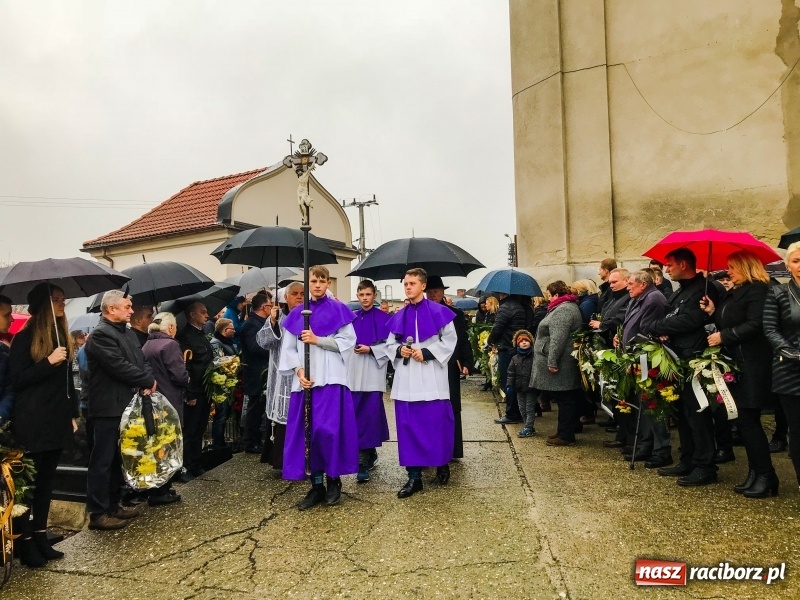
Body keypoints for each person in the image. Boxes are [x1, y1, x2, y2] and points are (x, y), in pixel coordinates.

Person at [8, 284, 78, 565]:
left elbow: (67, 382)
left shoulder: (60, 335)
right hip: (33, 421)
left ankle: (40, 535)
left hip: (56, 419)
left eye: (63, 299)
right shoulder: (24, 338)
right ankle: (25, 542)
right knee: (31, 485)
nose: (62, 304)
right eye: (56, 299)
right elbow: (18, 380)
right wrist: (48, 362)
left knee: (48, 482)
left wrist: (72, 414)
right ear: (42, 304)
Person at [278, 266, 358, 509]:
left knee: (329, 432)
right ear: (308, 284)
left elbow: (348, 341)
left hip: (331, 379)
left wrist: (318, 340)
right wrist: (299, 372)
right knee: (308, 434)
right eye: (313, 281)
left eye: (322, 281)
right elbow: (288, 349)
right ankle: (316, 486)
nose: (317, 285)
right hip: (306, 382)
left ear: (328, 283)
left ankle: (333, 481)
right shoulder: (298, 314)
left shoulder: (339, 309)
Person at [701, 251, 776, 497]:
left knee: (748, 420)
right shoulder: (736, 291)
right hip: (737, 361)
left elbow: (756, 323)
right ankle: (756, 472)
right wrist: (713, 311)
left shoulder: (758, 290)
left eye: (732, 267)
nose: (728, 271)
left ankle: (766, 475)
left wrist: (724, 336)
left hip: (752, 363)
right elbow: (730, 319)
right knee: (743, 420)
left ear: (746, 267)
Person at [84, 289, 156, 530]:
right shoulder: (100, 335)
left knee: (118, 459)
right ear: (111, 309)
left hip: (126, 404)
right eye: (127, 307)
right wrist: (146, 380)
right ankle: (98, 512)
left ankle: (114, 504)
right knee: (102, 460)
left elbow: (141, 360)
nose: (132, 311)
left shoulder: (128, 333)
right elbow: (118, 365)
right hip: (107, 407)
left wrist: (148, 378)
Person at [650, 248, 719, 486]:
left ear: (683, 264)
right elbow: (670, 316)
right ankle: (688, 458)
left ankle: (705, 465)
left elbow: (691, 320)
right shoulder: (681, 290)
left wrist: (658, 327)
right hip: (677, 356)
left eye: (669, 265)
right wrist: (662, 329)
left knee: (698, 414)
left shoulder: (704, 289)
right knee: (682, 413)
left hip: (695, 357)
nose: (666, 269)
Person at [385, 268, 457, 498]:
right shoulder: (399, 316)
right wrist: (399, 350)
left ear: (423, 286)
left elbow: (450, 340)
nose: (408, 287)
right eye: (406, 284)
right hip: (407, 380)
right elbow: (389, 344)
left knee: (436, 424)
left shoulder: (440, 312)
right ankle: (414, 477)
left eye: (412, 283)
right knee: (408, 427)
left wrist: (426, 352)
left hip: (432, 377)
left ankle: (441, 463)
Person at [617, 271, 670, 467]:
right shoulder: (638, 298)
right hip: (637, 358)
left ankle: (661, 449)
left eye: (631, 284)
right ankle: (646, 445)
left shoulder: (653, 298)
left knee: (653, 405)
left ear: (643, 284)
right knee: (644, 405)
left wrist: (633, 349)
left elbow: (648, 329)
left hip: (648, 359)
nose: (628, 287)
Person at [763, 241, 800, 494]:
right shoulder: (778, 293)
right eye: (796, 261)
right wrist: (792, 352)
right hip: (790, 370)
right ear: (788, 266)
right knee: (798, 429)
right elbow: (770, 329)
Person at [141, 312, 188, 506]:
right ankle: (163, 490)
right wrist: (187, 376)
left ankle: (158, 488)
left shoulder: (147, 344)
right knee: (168, 445)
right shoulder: (170, 345)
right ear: (170, 327)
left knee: (157, 445)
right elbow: (179, 376)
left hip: (153, 401)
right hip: (169, 400)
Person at [256, 283, 304, 469]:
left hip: (303, 376)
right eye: (294, 294)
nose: (299, 297)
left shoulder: (309, 317)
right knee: (283, 418)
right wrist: (273, 322)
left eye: (302, 294)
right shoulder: (280, 317)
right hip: (282, 379)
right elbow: (263, 342)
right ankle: (282, 461)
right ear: (286, 297)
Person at [348, 280, 391, 483]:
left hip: (373, 372)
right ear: (357, 296)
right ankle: (366, 454)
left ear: (374, 296)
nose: (365, 298)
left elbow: (391, 346)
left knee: (370, 416)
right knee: (356, 416)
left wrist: (371, 349)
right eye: (361, 295)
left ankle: (364, 460)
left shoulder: (385, 319)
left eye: (368, 294)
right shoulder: (350, 318)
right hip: (353, 372)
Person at [425, 275, 473, 459]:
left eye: (436, 291)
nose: (432, 295)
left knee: (451, 405)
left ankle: (453, 449)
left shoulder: (455, 313)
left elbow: (462, 338)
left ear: (442, 292)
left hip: (451, 363)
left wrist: (467, 362)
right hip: (428, 363)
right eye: (429, 292)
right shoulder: (421, 313)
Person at [531, 281, 583, 447]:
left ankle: (566, 435)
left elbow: (558, 339)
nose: (548, 298)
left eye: (549, 295)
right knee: (564, 398)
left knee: (565, 399)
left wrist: (552, 361)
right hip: (564, 360)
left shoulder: (564, 309)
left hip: (562, 362)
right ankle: (563, 431)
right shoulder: (563, 307)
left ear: (556, 294)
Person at [177, 301, 213, 481]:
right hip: (195, 391)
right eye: (203, 312)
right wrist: (189, 393)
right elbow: (187, 367)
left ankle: (196, 463)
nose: (207, 315)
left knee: (200, 428)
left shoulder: (201, 334)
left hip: (205, 389)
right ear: (192, 315)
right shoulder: (185, 337)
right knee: (190, 430)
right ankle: (186, 465)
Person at [240, 293, 273, 454]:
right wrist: (273, 348)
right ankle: (250, 441)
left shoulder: (260, 322)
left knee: (259, 407)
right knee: (255, 408)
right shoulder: (252, 324)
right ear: (264, 307)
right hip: (256, 372)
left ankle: (256, 439)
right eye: (270, 305)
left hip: (262, 371)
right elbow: (254, 347)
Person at [488, 292, 527, 424]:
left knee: (509, 381)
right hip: (516, 347)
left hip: (506, 347)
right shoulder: (520, 306)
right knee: (516, 380)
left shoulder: (505, 307)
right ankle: (519, 412)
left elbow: (497, 328)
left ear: (503, 294)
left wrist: (490, 341)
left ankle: (511, 414)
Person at [208, 317, 236, 449]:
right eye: (232, 329)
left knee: (225, 414)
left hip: (228, 383)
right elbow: (218, 362)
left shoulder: (228, 342)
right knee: (221, 415)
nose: (234, 331)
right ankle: (218, 443)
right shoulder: (216, 343)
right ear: (225, 330)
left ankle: (221, 441)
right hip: (221, 385)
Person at [507, 330, 536, 437]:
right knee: (522, 408)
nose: (524, 343)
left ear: (531, 342)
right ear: (517, 344)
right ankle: (527, 425)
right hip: (519, 387)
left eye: (526, 341)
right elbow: (511, 373)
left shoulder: (534, 357)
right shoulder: (515, 358)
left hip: (531, 387)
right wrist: (510, 384)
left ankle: (529, 427)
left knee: (529, 408)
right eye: (521, 341)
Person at [0, 296, 15, 425]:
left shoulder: (4, 352)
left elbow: (9, 389)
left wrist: (1, 415)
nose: (12, 319)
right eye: (7, 315)